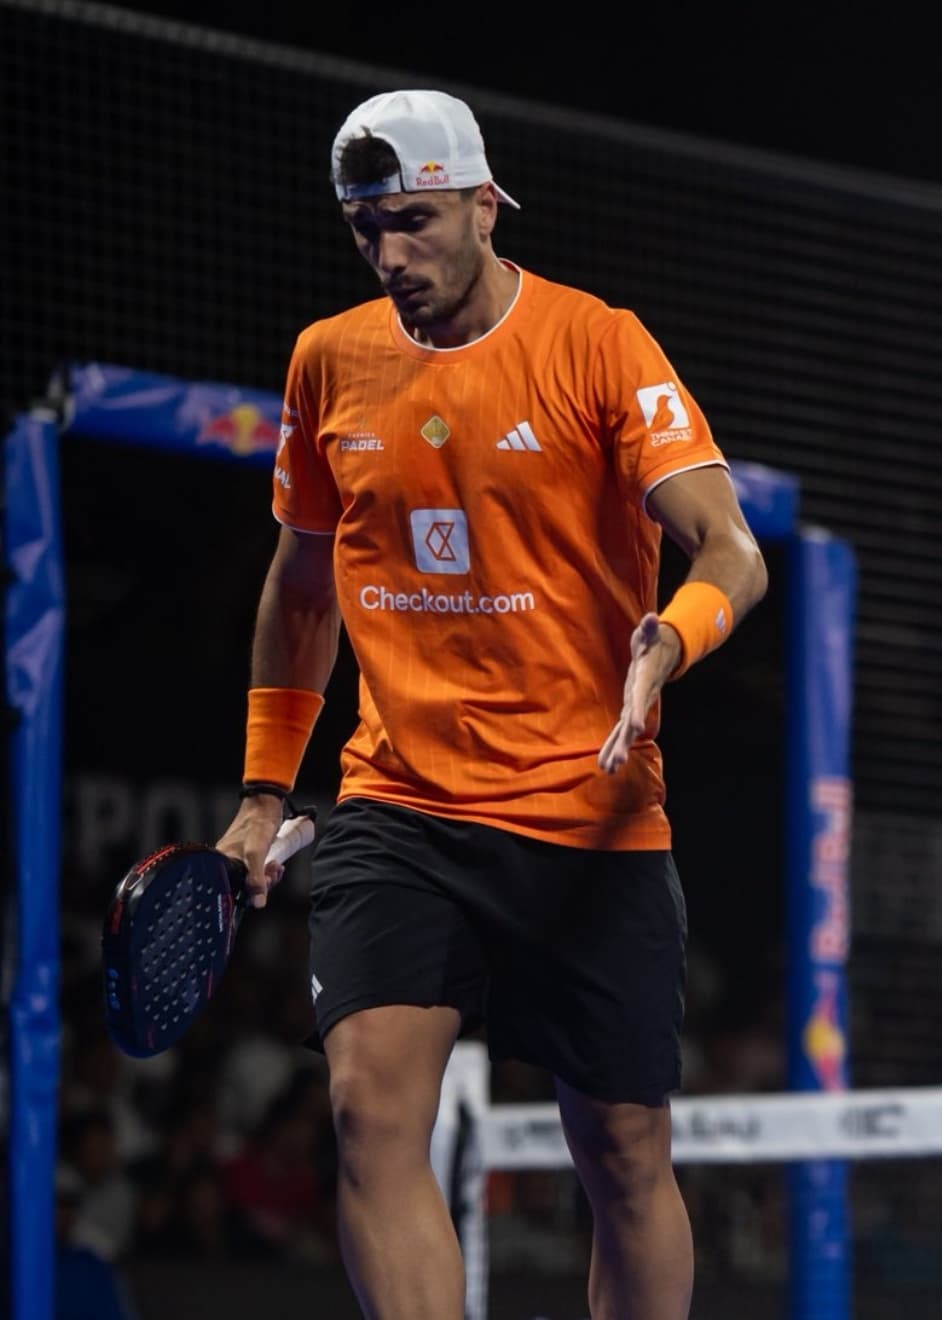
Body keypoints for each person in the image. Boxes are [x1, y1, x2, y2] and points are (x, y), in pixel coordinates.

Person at [211, 88, 767, 1320]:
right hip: (397, 806)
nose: (391, 256)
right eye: (366, 231)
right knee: (367, 1110)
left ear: (483, 202)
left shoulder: (598, 342)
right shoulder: (326, 362)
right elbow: (301, 591)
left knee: (622, 1154)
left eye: (414, 221)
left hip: (592, 816)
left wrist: (667, 642)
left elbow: (732, 549)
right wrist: (262, 794)